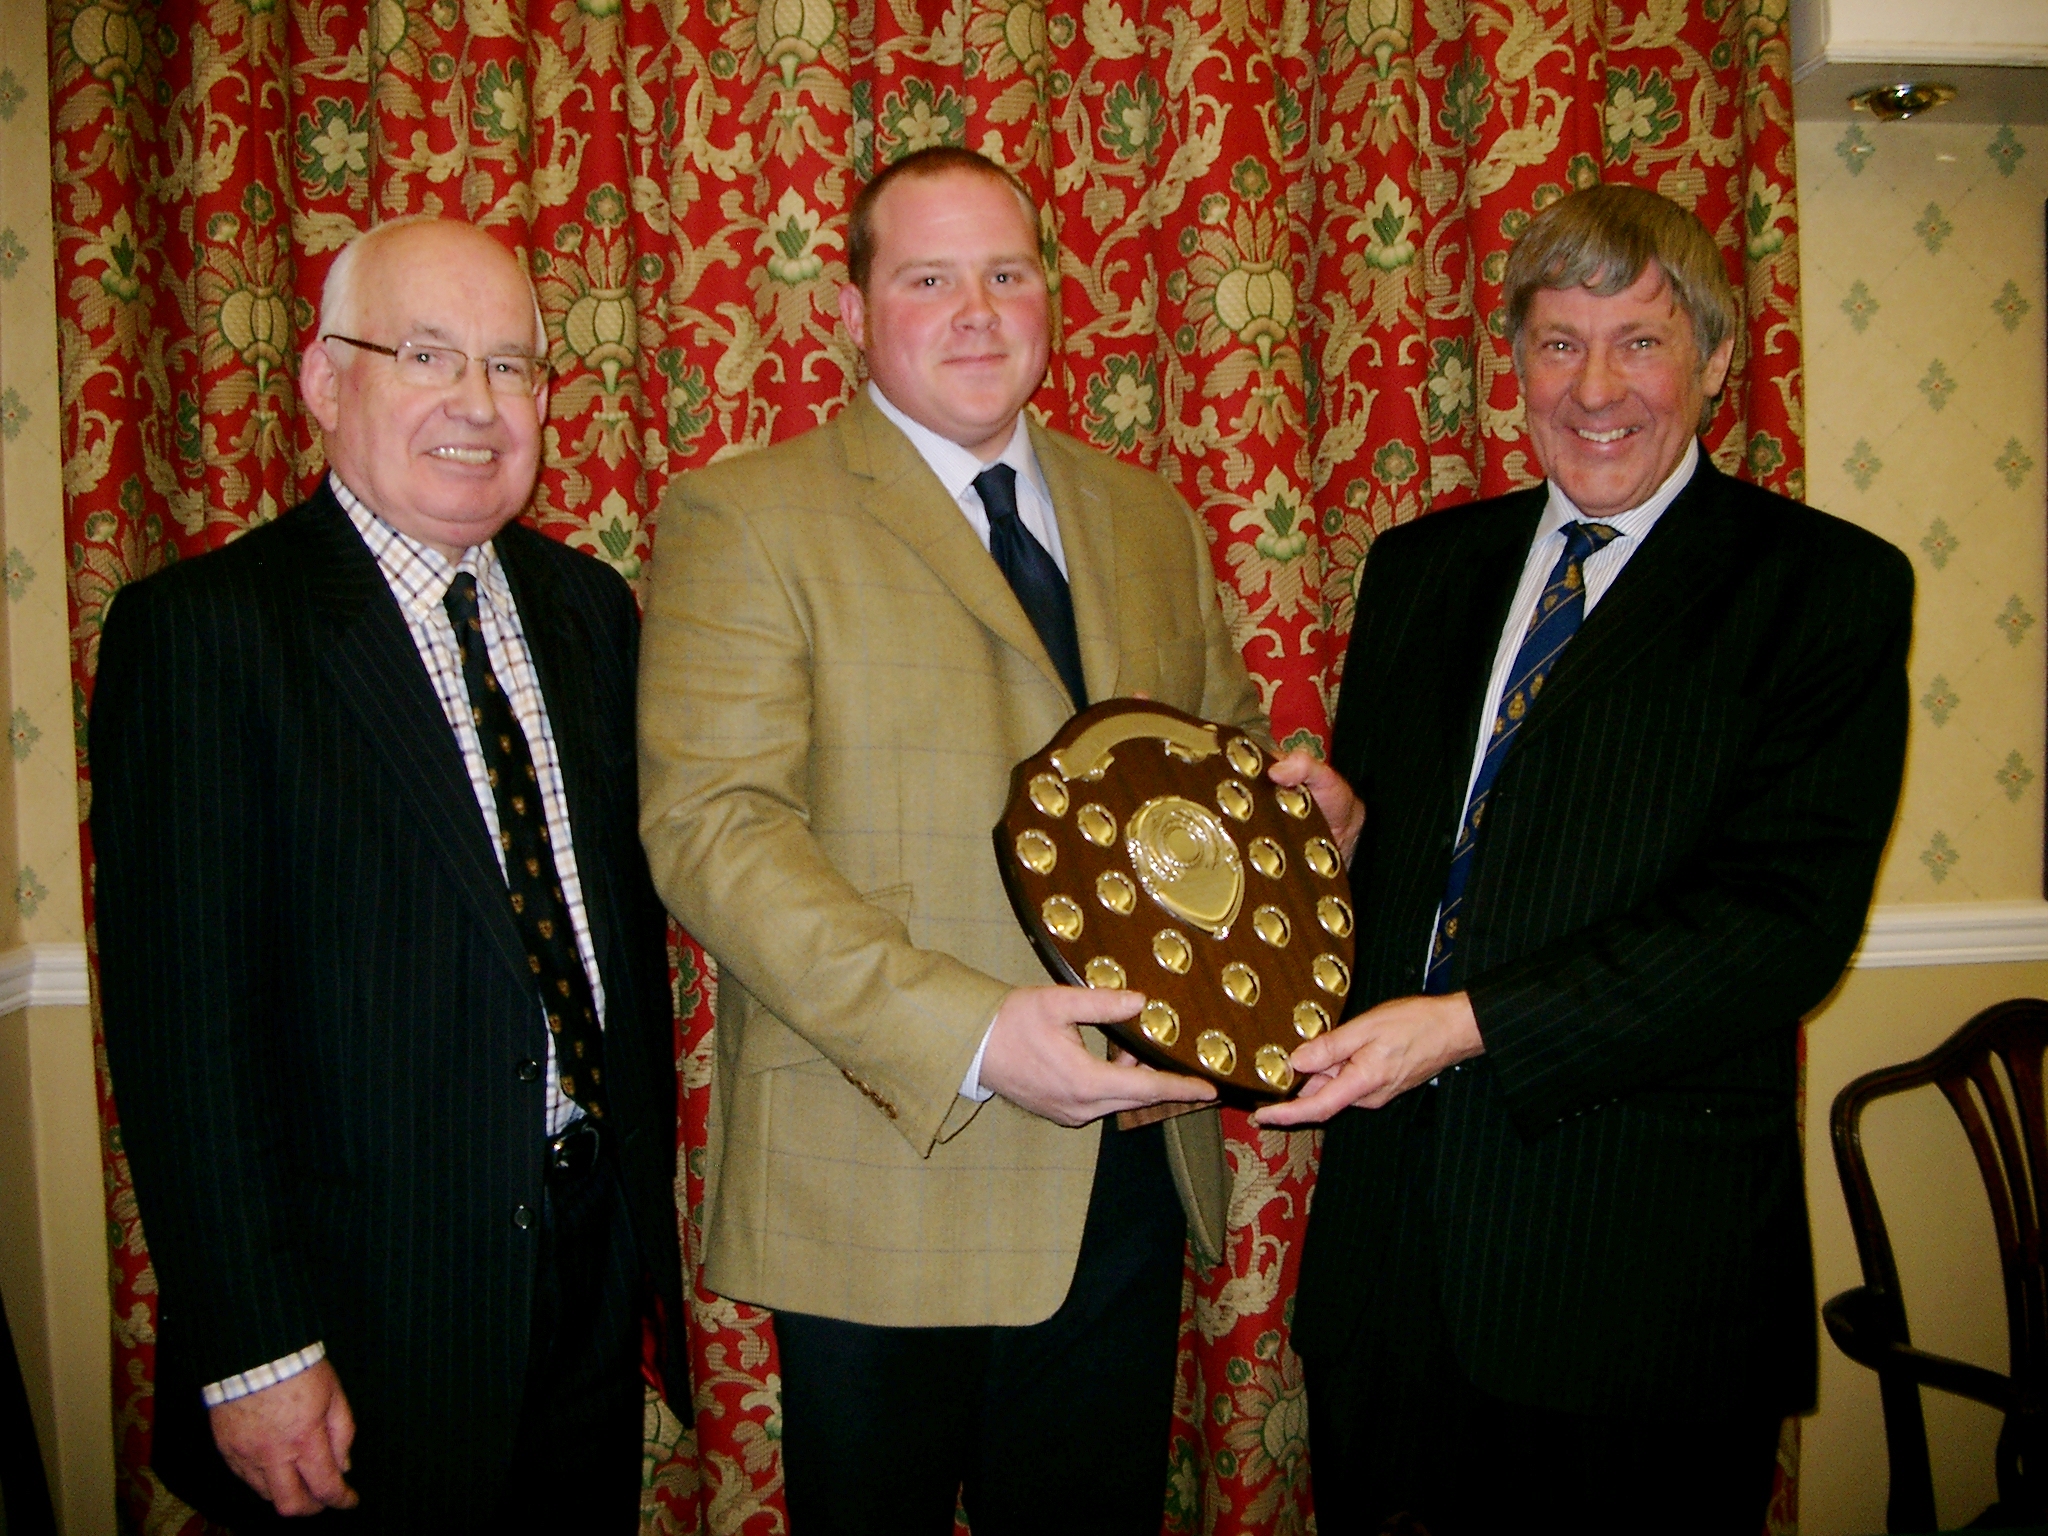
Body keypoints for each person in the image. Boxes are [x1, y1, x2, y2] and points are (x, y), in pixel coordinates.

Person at [638, 147, 1341, 1535]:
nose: (977, 309)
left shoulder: (1147, 515)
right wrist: (972, 1032)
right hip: (888, 1160)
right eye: (928, 278)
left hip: (1125, 1181)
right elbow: (713, 830)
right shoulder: (746, 515)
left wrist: (1299, 807)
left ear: (1050, 297)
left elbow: (1214, 760)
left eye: (1006, 273)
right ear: (851, 312)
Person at [1259, 184, 1914, 1533]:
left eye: (1642, 341)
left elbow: (1777, 924)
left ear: (1719, 362)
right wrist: (1348, 843)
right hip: (1393, 1274)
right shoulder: (1420, 569)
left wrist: (1465, 1026)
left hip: (1637, 1285)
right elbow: (1454, 869)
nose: (1595, 386)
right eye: (1558, 343)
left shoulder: (1821, 589)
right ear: (1514, 363)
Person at [91, 217, 684, 1531]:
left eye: (514, 366)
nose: (479, 405)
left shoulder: (590, 613)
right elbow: (184, 1037)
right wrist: (257, 1350)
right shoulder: (204, 636)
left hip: (586, 1280)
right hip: (359, 1323)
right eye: (427, 356)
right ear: (322, 382)